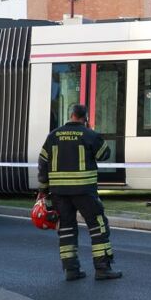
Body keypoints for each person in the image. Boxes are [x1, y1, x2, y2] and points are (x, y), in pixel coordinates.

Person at [37, 104, 122, 282]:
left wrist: (43, 188)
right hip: (84, 191)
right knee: (98, 226)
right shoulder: (89, 134)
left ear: (71, 115)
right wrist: (92, 132)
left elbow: (43, 162)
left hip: (59, 193)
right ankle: (102, 268)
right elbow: (105, 154)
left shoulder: (53, 135)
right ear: (85, 118)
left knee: (66, 228)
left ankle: (71, 270)